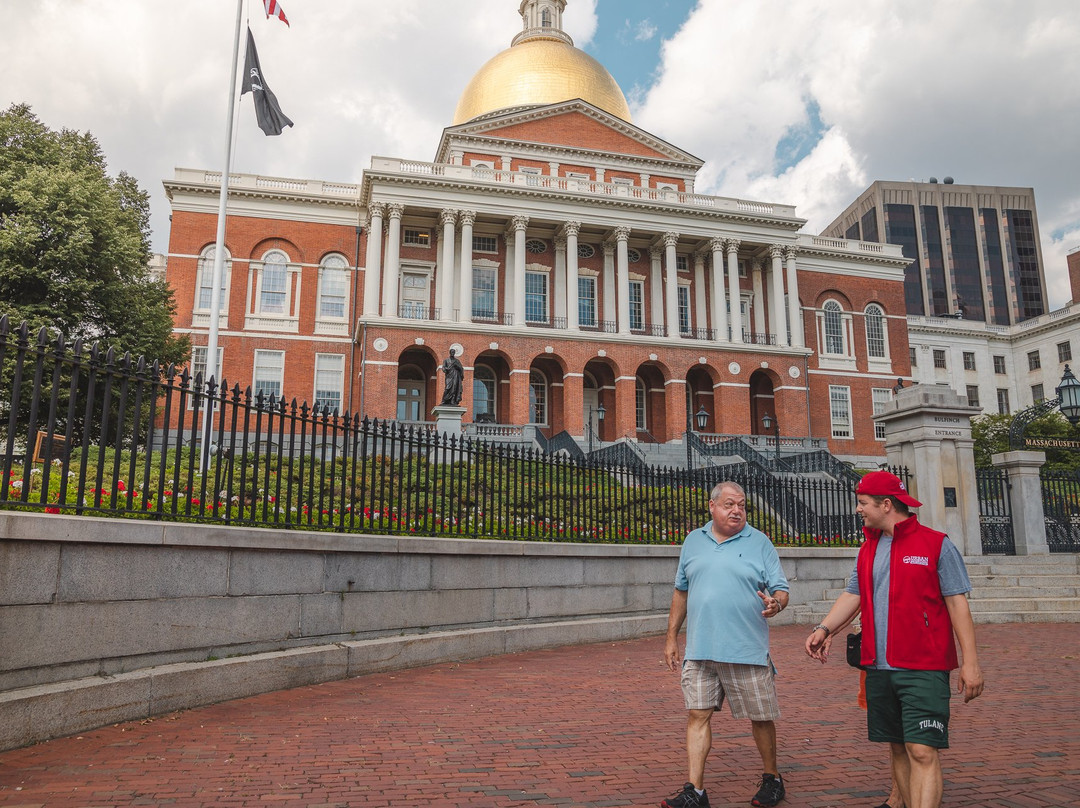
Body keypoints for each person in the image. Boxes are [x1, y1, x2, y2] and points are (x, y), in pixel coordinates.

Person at [804, 471, 984, 808]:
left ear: (886, 505)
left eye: (862, 503)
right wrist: (824, 628)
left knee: (922, 749)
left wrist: (971, 663)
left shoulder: (936, 543)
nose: (858, 509)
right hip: (878, 665)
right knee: (898, 746)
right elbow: (854, 594)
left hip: (924, 666)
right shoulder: (868, 547)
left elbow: (958, 604)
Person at [662, 481, 790, 808]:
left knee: (760, 717)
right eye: (730, 504)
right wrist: (671, 638)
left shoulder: (760, 542)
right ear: (712, 507)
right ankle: (695, 791)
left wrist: (776, 603)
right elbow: (681, 591)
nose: (737, 511)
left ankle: (772, 778)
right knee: (697, 715)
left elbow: (781, 589)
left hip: (746, 649)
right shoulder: (694, 541)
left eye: (742, 505)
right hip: (701, 650)